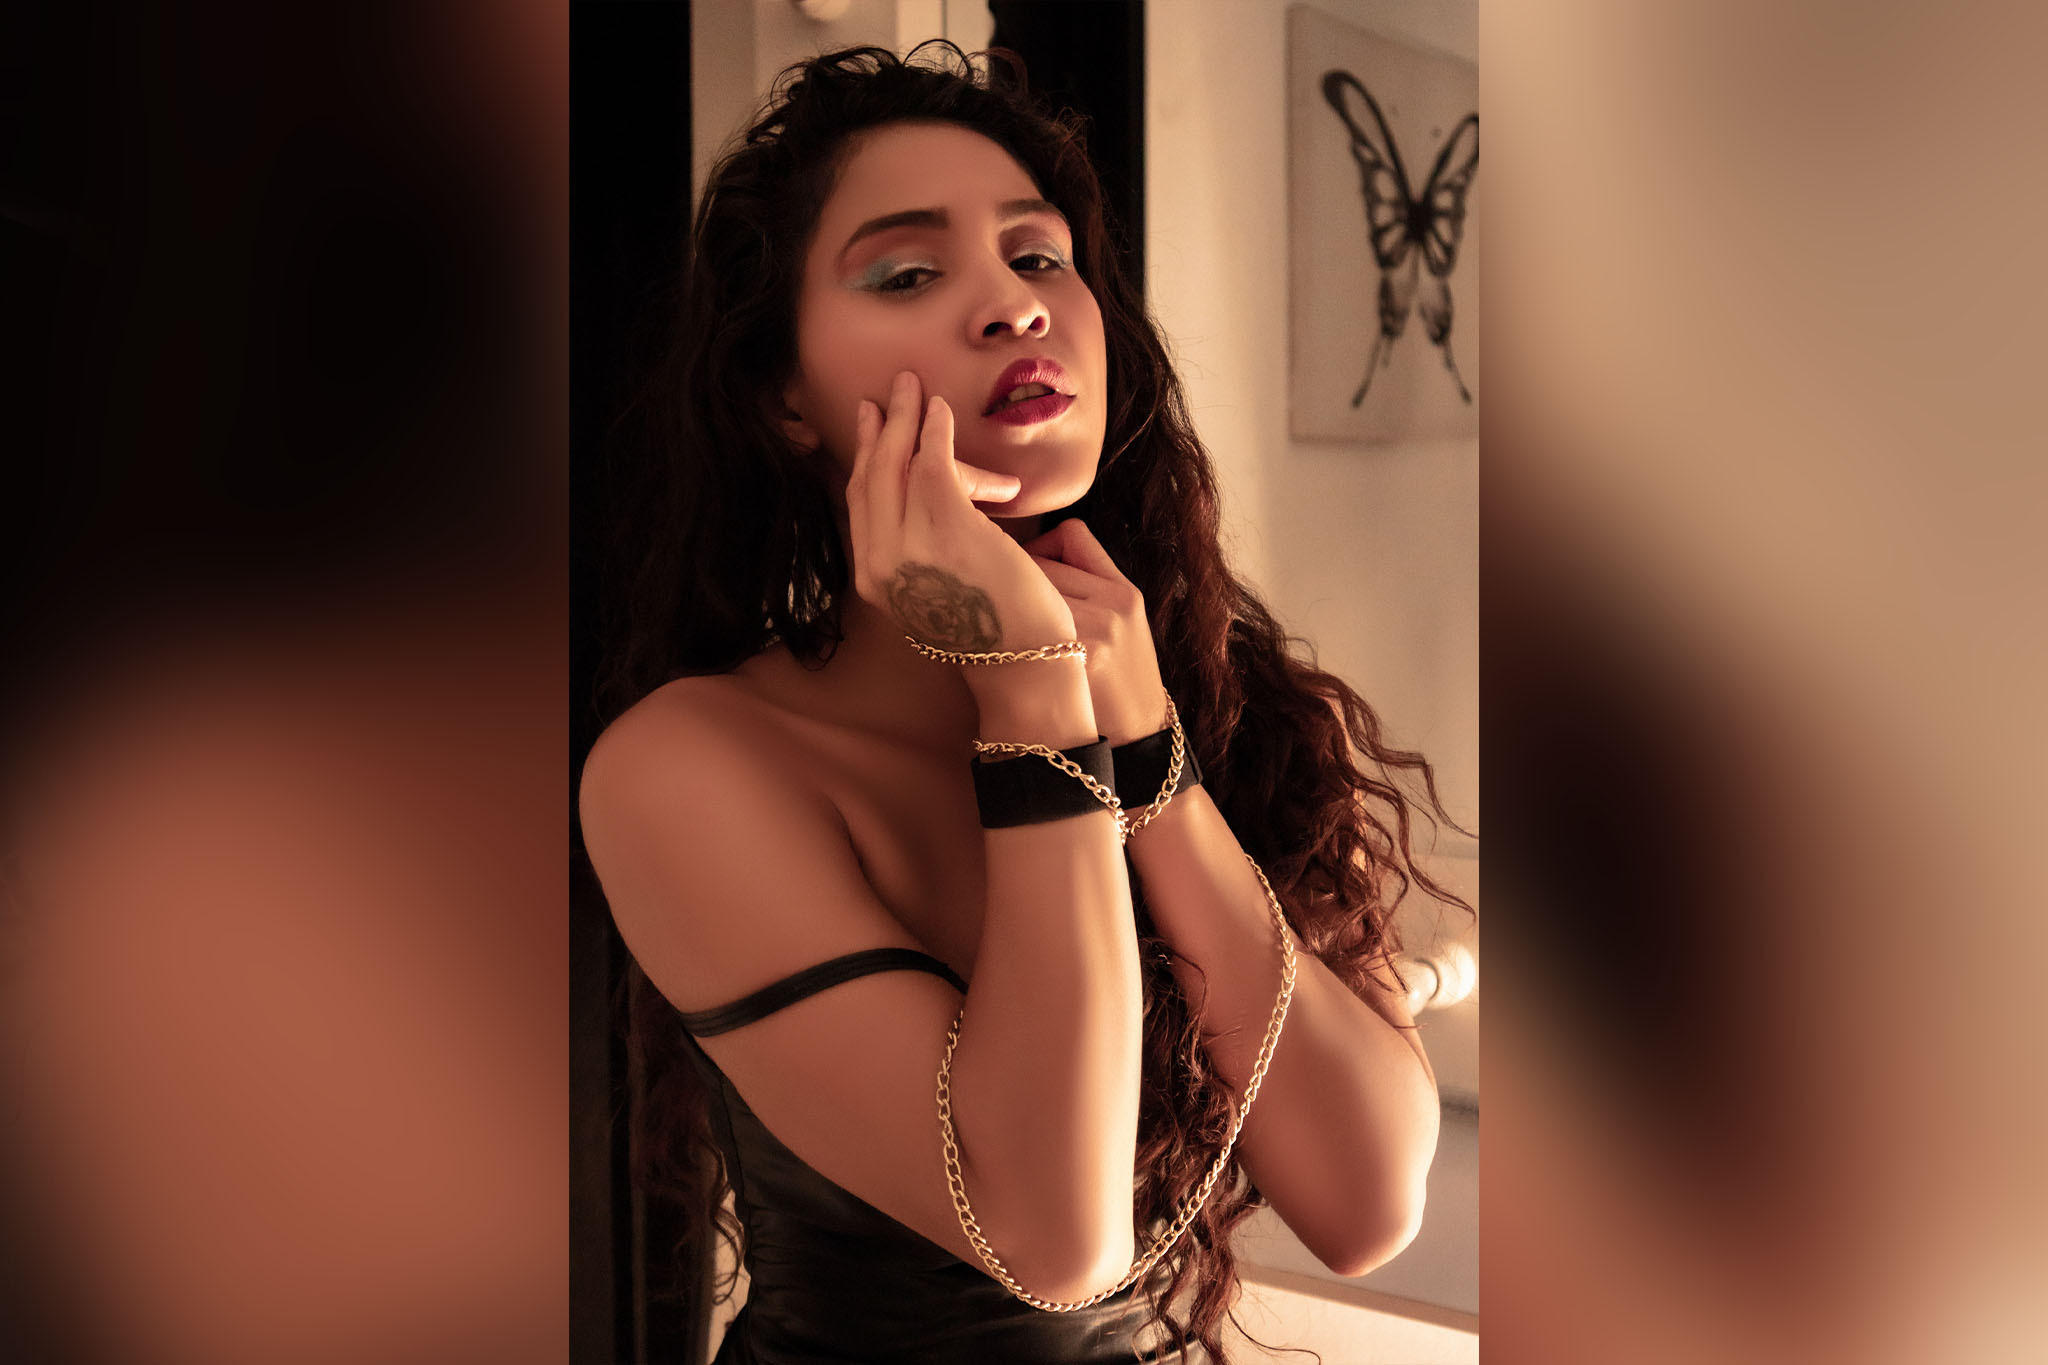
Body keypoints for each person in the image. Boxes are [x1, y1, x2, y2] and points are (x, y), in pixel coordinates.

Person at [579, 40, 1474, 1365]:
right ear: (784, 395)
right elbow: (1052, 1240)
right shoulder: (689, 764)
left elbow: (1367, 1200)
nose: (1012, 305)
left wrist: (1152, 757)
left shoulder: (1219, 694)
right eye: (908, 273)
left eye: (1039, 255)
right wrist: (1034, 697)